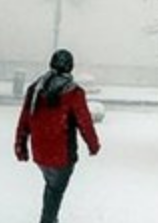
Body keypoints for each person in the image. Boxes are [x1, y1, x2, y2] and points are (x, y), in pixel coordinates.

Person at [15, 49, 101, 223]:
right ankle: (48, 220)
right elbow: (84, 122)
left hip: (41, 152)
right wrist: (93, 145)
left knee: (52, 187)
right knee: (55, 191)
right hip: (62, 155)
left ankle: (50, 219)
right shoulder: (74, 92)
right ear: (71, 67)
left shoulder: (35, 89)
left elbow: (25, 119)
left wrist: (20, 146)